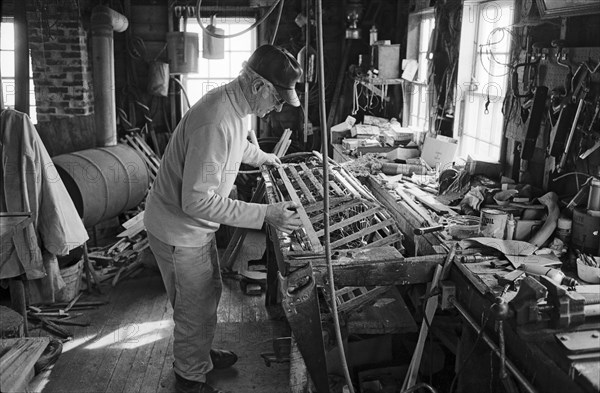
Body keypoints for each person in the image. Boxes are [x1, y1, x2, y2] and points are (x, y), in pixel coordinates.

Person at [144, 45, 304, 393]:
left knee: (206, 292)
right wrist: (266, 214)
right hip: (179, 229)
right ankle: (190, 377)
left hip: (190, 228)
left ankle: (199, 353)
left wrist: (263, 157)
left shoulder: (237, 105)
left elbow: (238, 146)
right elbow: (197, 201)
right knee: (193, 306)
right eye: (277, 99)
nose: (277, 108)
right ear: (259, 85)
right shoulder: (216, 119)